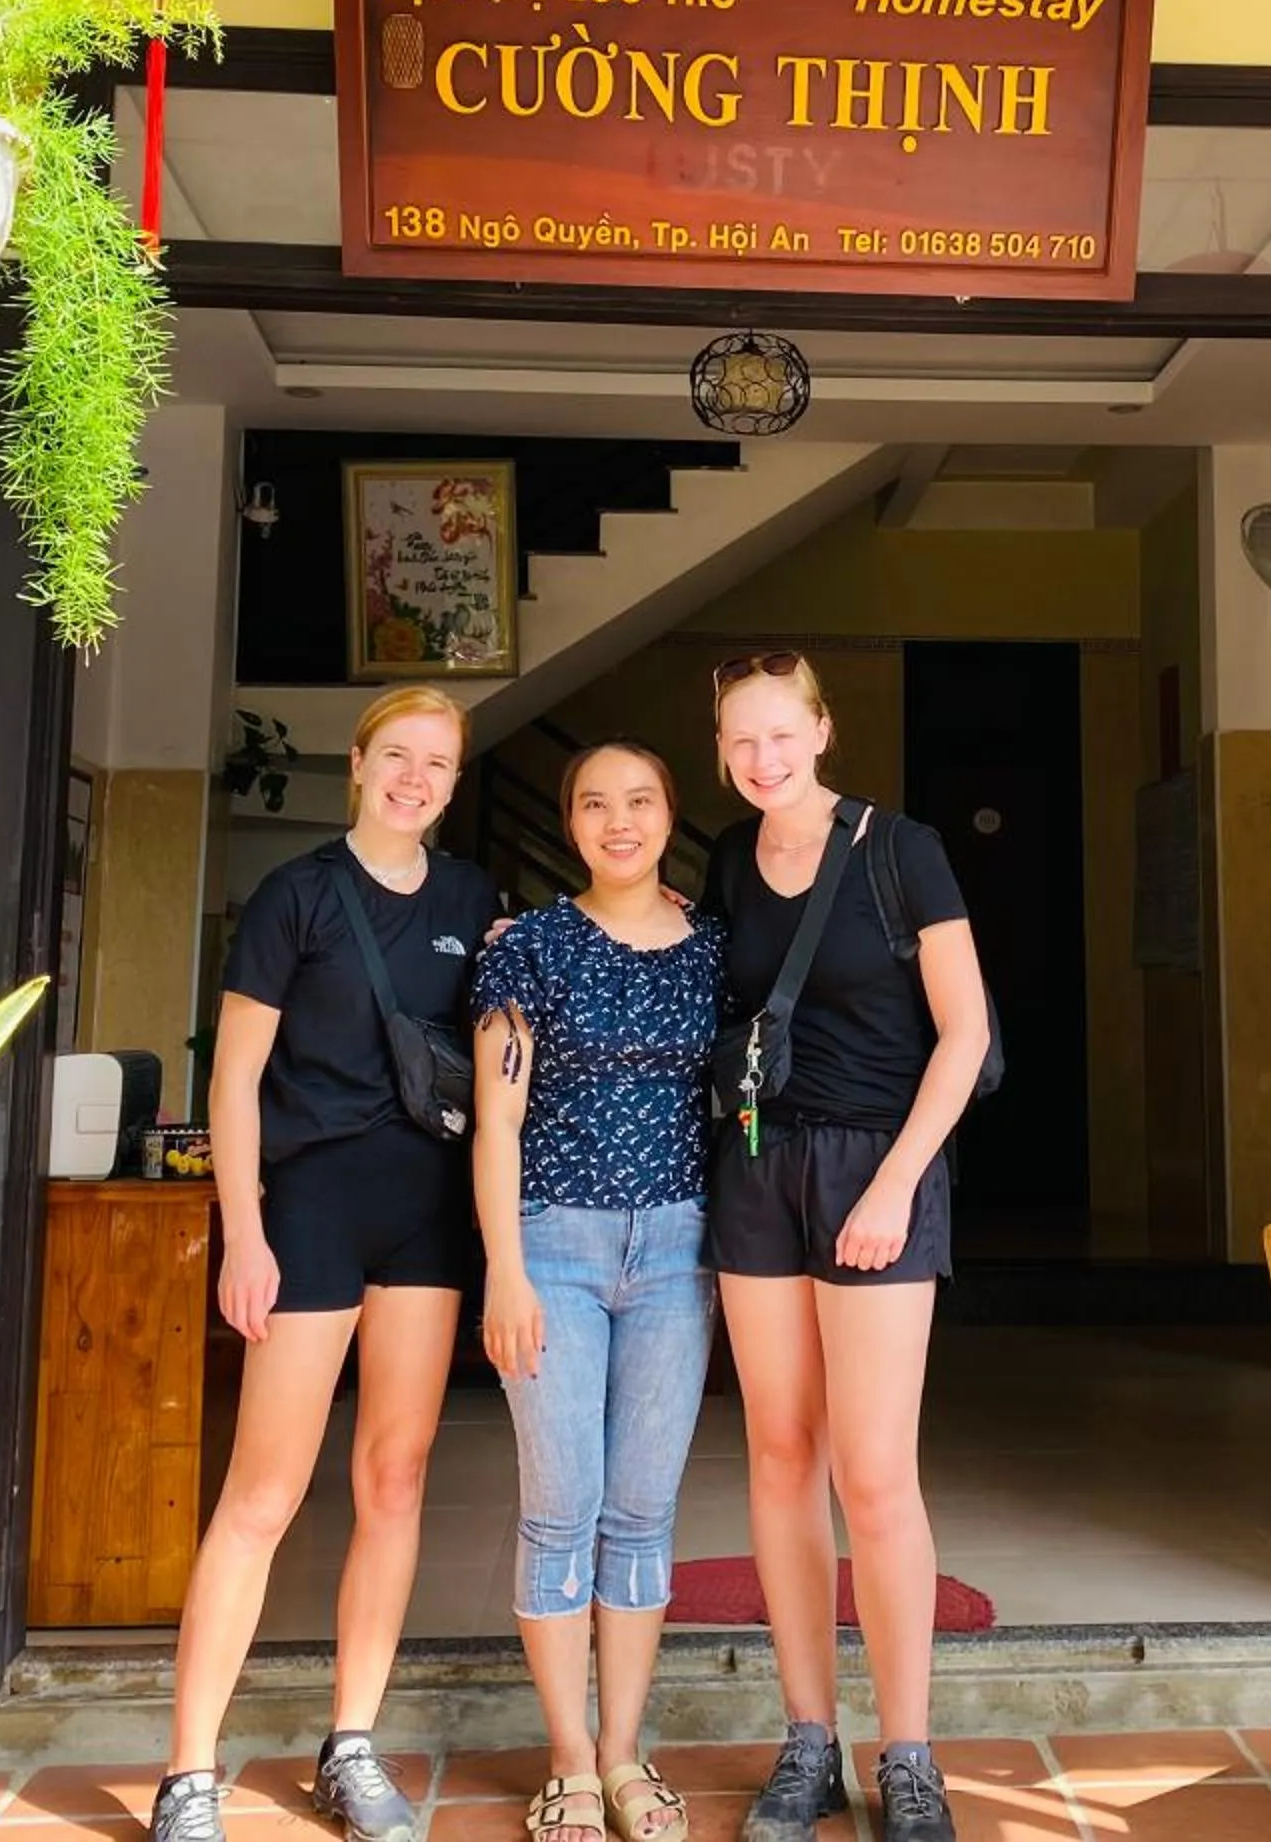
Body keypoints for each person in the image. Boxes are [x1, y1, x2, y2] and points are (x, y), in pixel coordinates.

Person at [150, 686, 500, 1842]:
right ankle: (188, 1773)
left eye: (437, 764)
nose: (415, 778)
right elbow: (234, 1080)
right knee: (263, 1492)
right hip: (309, 1211)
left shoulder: (471, 899)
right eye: (396, 755)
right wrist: (241, 1231)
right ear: (356, 763)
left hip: (427, 1217)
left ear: (454, 781)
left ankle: (351, 1744)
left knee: (393, 1482)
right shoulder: (296, 896)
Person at [702, 652, 994, 1842]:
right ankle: (809, 1737)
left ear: (822, 729)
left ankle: (908, 1751)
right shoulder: (728, 858)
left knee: (872, 1474)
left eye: (781, 735)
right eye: (739, 742)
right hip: (760, 1169)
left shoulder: (898, 847)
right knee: (780, 1454)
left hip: (880, 1163)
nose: (762, 761)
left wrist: (897, 1180)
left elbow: (966, 1032)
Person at [470, 742, 724, 1842]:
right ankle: (567, 1756)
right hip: (554, 1249)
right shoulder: (526, 948)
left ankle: (624, 1752)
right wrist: (506, 1271)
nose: (617, 820)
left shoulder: (715, 947)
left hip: (679, 1252)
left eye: (640, 801)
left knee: (643, 1514)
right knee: (559, 1509)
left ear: (671, 815)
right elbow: (497, 1120)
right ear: (568, 823)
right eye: (593, 803)